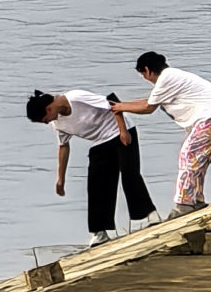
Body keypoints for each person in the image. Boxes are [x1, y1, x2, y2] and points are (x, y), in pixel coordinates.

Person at [26, 88, 159, 247]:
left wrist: (123, 131)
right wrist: (60, 179)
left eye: (45, 119)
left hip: (122, 131)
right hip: (101, 142)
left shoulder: (76, 97)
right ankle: (99, 232)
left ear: (49, 109)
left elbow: (112, 103)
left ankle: (151, 215)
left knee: (129, 173)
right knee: (97, 185)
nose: (48, 122)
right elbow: (63, 146)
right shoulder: (58, 124)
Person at [110, 52, 211, 219]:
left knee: (188, 155)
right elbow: (149, 101)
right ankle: (195, 199)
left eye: (142, 75)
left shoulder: (166, 79)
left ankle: (184, 204)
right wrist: (120, 106)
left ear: (146, 70)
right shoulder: (171, 77)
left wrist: (121, 108)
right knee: (197, 159)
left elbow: (148, 108)